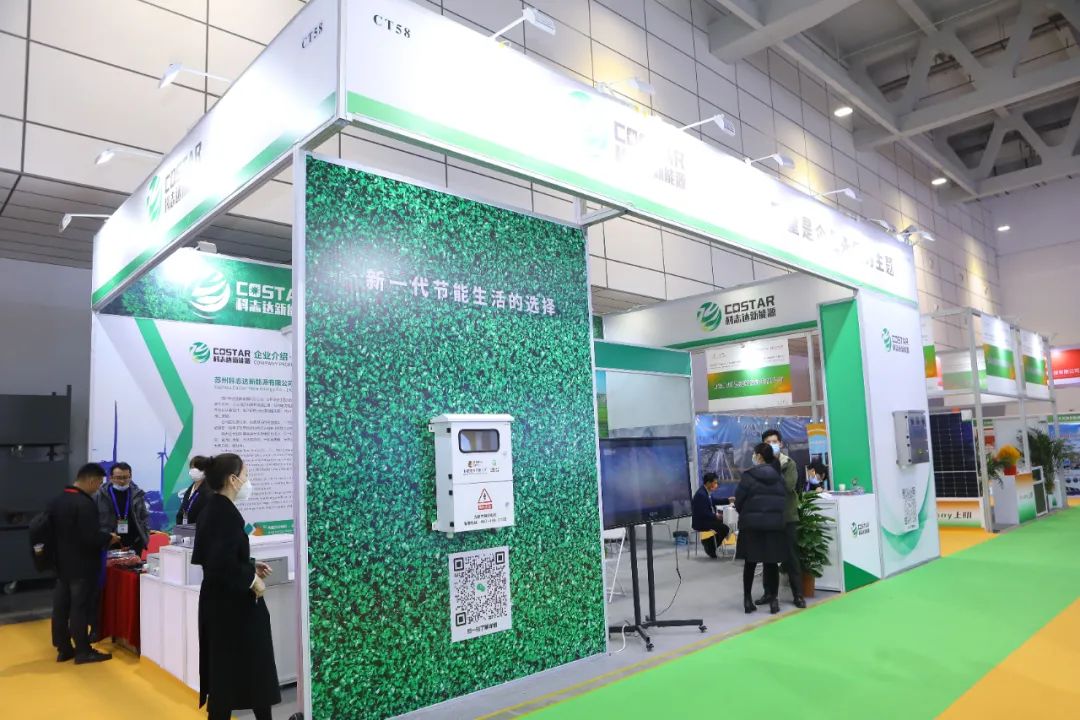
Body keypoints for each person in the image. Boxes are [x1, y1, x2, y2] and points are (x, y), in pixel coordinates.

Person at [193, 453, 280, 720]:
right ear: (233, 480)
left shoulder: (217, 509)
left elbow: (222, 556)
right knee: (240, 673)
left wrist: (249, 565)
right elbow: (219, 563)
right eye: (245, 476)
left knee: (233, 675)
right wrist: (252, 580)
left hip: (223, 606)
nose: (247, 482)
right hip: (232, 610)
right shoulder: (222, 513)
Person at [47, 463, 117, 664]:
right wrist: (108, 538)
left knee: (61, 608)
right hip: (82, 565)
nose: (98, 487)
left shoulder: (58, 500)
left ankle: (63, 648)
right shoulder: (85, 504)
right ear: (92, 480)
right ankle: (83, 651)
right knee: (80, 607)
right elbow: (90, 538)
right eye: (99, 483)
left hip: (61, 564)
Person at [734, 444, 788, 615]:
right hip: (773, 526)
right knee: (771, 563)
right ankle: (774, 601)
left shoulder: (748, 476)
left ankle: (747, 600)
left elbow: (739, 501)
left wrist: (747, 513)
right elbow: (783, 501)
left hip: (751, 526)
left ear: (758, 456)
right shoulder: (779, 477)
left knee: (750, 563)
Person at [761, 429, 805, 609]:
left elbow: (788, 486)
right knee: (768, 558)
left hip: (787, 517)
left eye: (774, 442)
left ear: (780, 443)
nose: (772, 445)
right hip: (768, 518)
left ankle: (798, 595)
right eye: (768, 442)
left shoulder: (789, 464)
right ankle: (769, 594)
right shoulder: (760, 464)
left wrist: (774, 470)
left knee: (791, 557)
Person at [96, 462, 150, 556]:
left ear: (130, 477)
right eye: (118, 478)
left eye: (125, 477)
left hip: (134, 544)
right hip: (109, 544)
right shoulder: (99, 495)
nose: (122, 481)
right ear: (111, 478)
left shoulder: (137, 494)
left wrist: (144, 536)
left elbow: (144, 516)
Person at [692, 472, 733, 558]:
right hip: (701, 522)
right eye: (715, 483)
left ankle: (708, 543)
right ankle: (710, 547)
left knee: (725, 525)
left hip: (707, 519)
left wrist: (728, 500)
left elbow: (714, 501)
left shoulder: (705, 492)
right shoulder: (701, 495)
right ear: (708, 483)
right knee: (724, 528)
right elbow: (703, 513)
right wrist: (716, 516)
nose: (716, 485)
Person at [177, 455, 213, 526]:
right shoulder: (190, 489)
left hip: (199, 529)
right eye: (192, 467)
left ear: (205, 470)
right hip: (184, 528)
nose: (193, 470)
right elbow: (183, 510)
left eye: (197, 468)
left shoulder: (209, 492)